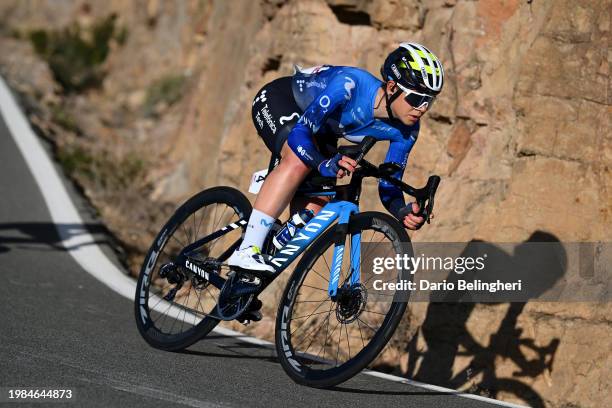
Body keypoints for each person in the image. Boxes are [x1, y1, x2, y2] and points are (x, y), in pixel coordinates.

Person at [228, 42, 444, 275]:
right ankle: (248, 249)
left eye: (428, 101)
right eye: (416, 98)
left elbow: (389, 181)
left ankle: (245, 281)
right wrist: (322, 163)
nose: (422, 108)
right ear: (392, 87)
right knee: (298, 161)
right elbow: (301, 134)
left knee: (320, 205)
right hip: (282, 101)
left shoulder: (407, 131)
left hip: (321, 132)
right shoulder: (350, 84)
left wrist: (402, 210)